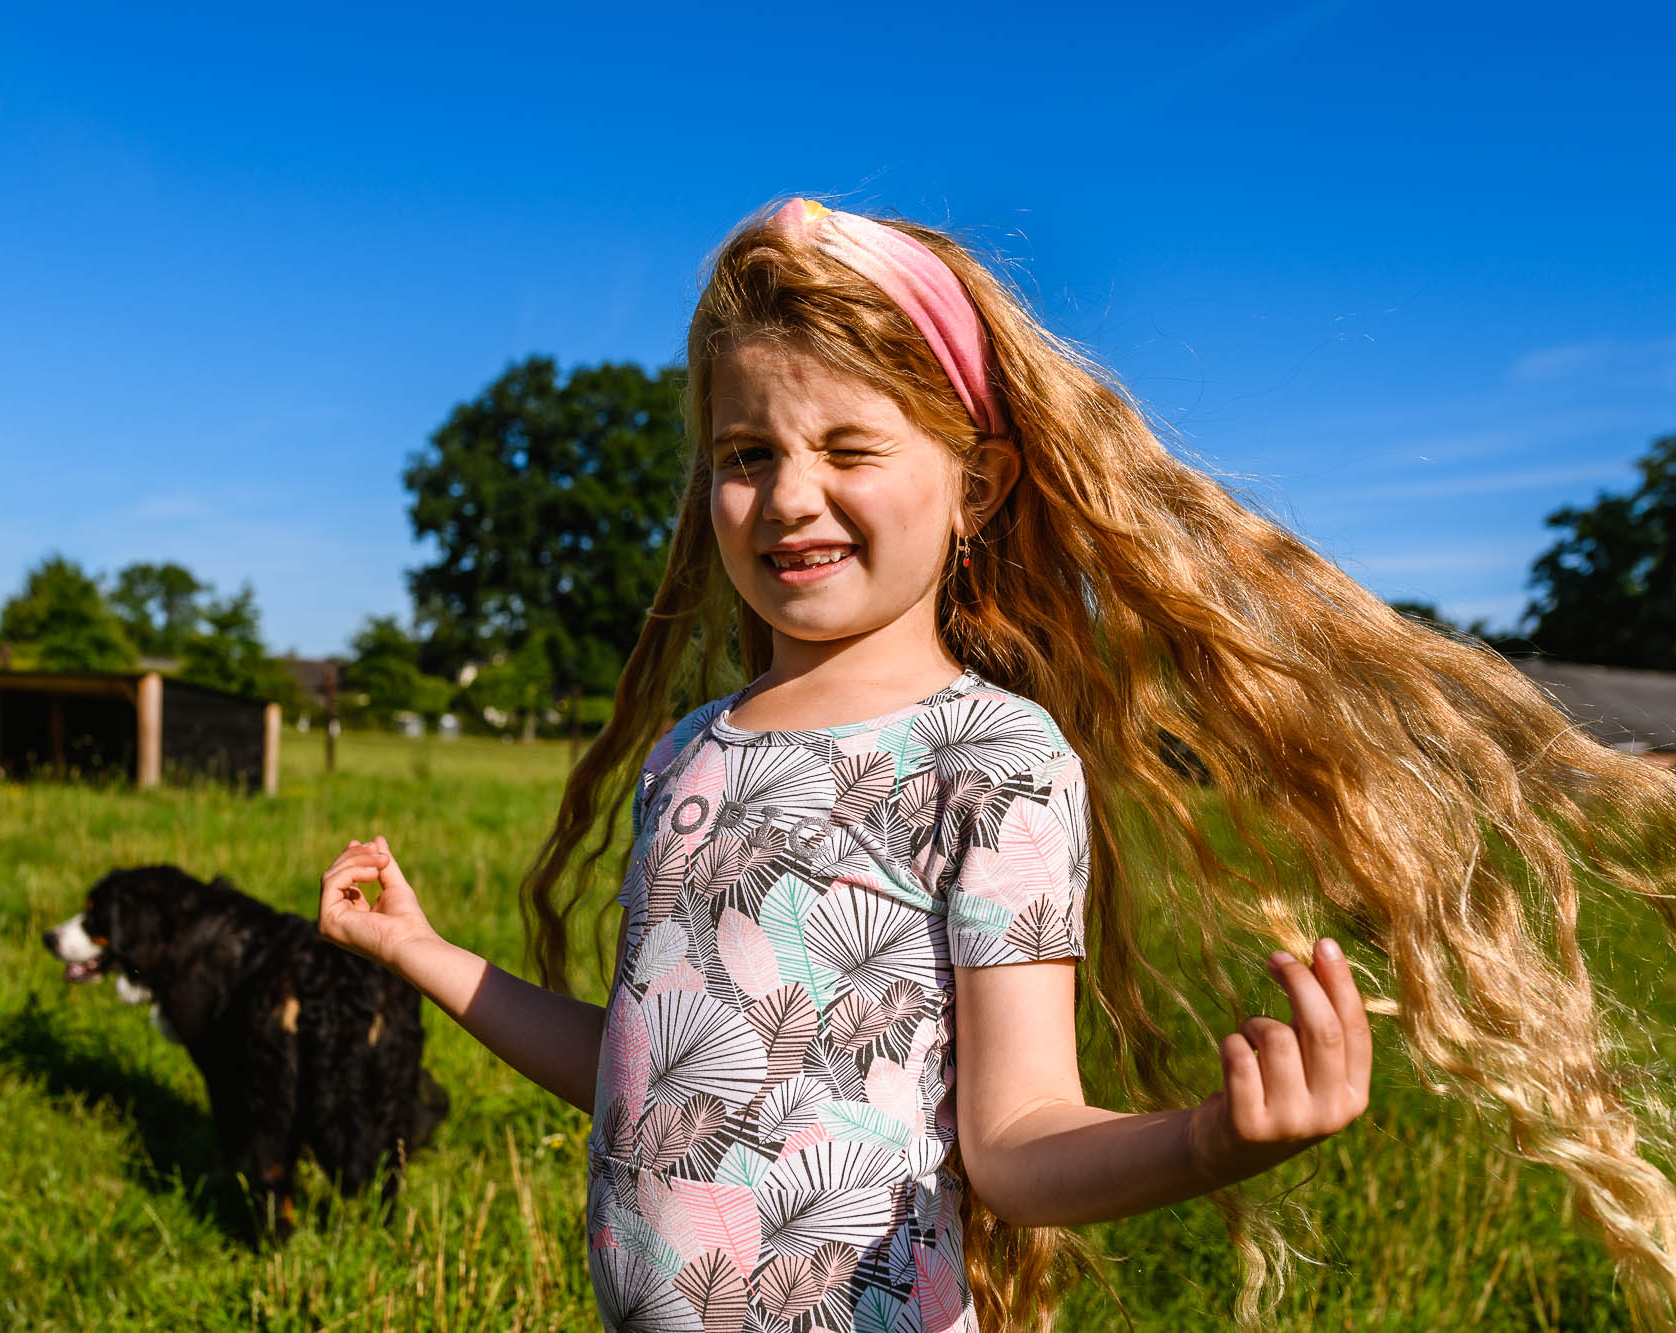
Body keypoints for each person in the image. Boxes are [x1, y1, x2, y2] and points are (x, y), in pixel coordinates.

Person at [318, 198, 1676, 1331]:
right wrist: (428, 954)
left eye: (851, 446)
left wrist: (1212, 1140)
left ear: (977, 487)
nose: (789, 495)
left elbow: (1017, 1142)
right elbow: (648, 1064)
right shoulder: (693, 750)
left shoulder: (991, 758)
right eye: (746, 454)